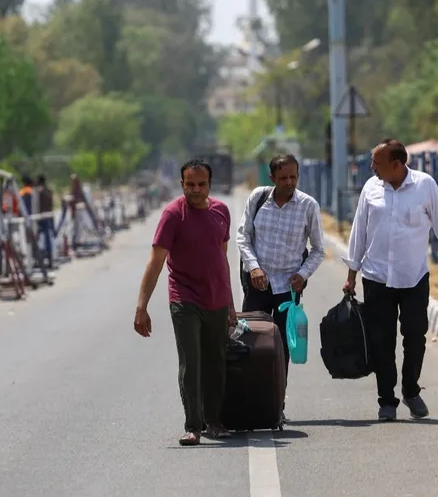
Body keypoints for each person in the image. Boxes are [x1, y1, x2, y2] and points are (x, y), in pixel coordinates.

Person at [341, 139, 438, 422]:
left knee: (415, 335)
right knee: (381, 341)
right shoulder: (371, 188)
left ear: (396, 165)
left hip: (413, 277)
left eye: (377, 163)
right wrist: (351, 274)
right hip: (377, 278)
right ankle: (387, 400)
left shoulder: (425, 185)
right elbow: (359, 231)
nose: (372, 167)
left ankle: (411, 390)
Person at [133, 159, 236, 446]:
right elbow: (155, 262)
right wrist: (141, 307)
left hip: (216, 298)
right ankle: (193, 425)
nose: (195, 190)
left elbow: (222, 258)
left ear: (210, 185)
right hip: (184, 297)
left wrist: (229, 302)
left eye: (201, 184)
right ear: (182, 184)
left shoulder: (221, 212)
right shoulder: (172, 215)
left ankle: (214, 420)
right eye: (190, 184)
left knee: (215, 361)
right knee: (191, 361)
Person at [235, 154, 325, 424]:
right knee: (250, 342)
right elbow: (243, 236)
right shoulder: (258, 198)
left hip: (289, 289)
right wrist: (254, 268)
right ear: (272, 177)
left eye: (293, 177)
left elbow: (318, 250)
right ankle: (249, 402)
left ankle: (276, 404)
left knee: (281, 347)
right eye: (283, 177)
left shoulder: (308, 205)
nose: (289, 182)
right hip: (258, 284)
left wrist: (303, 274)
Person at [35, 175, 56, 268]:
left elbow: (37, 205)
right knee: (48, 239)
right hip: (49, 216)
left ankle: (41, 259)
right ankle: (50, 259)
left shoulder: (40, 191)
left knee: (40, 240)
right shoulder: (49, 191)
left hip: (42, 218)